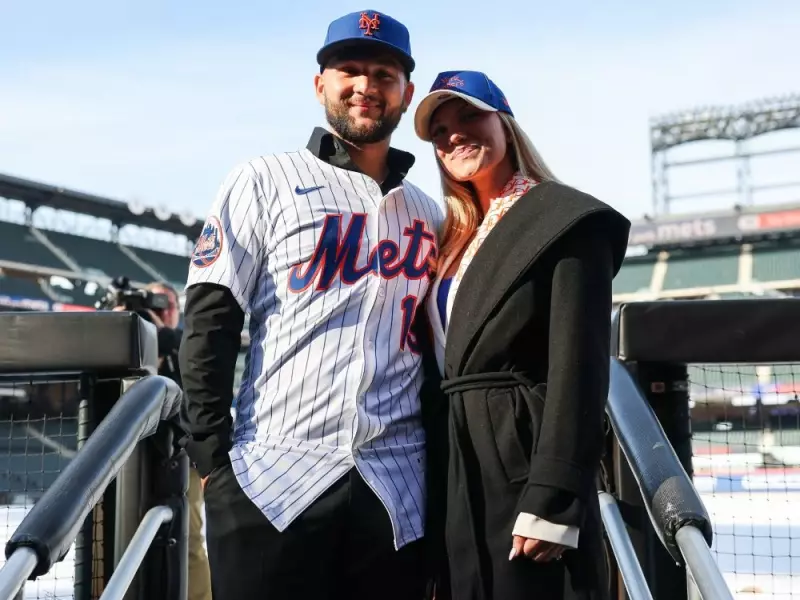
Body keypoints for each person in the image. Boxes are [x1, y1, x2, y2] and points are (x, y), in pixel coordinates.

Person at [178, 10, 443, 600]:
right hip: (270, 478)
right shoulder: (262, 179)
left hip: (396, 488)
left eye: (384, 74)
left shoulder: (429, 212)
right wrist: (212, 461)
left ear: (405, 94)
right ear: (319, 83)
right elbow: (210, 318)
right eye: (349, 69)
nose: (365, 86)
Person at [413, 70, 631, 600]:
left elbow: (579, 368)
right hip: (451, 461)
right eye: (440, 131)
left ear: (505, 123)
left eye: (469, 116)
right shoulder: (450, 236)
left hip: (522, 459)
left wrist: (554, 496)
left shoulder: (565, 218)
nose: (455, 135)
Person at [138, 282, 214, 600]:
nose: (161, 309)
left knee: (188, 538)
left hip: (181, 459)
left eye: (166, 302)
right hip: (135, 454)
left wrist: (162, 337)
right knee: (131, 535)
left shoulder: (183, 343)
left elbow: (195, 391)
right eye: (154, 302)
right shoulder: (132, 339)